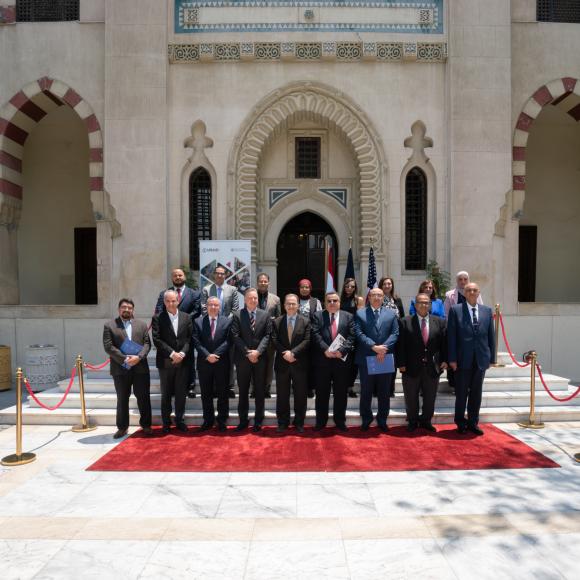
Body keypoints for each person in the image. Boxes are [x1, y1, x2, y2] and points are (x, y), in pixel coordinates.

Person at [447, 283, 495, 436]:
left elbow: (491, 337)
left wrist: (491, 358)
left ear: (478, 292)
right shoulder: (456, 310)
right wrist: (452, 359)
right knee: (461, 393)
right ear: (464, 293)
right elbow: (451, 336)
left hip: (480, 359)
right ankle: (460, 422)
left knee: (476, 393)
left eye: (475, 290)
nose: (472, 292)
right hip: (462, 359)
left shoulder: (487, 311)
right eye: (469, 290)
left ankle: (473, 422)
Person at [397, 293, 447, 432]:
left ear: (430, 305)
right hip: (410, 367)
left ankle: (426, 420)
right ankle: (412, 421)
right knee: (411, 396)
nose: (424, 305)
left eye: (426, 303)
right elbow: (400, 345)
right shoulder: (404, 321)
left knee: (430, 396)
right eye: (421, 302)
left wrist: (444, 361)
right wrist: (401, 364)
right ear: (415, 304)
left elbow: (444, 344)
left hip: (432, 367)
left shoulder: (439, 321)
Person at [103, 298, 152, 439]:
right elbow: (108, 346)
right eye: (124, 307)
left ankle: (146, 425)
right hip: (120, 369)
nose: (126, 310)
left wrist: (139, 357)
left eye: (129, 308)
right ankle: (122, 428)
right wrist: (125, 358)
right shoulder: (110, 325)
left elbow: (147, 344)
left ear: (133, 310)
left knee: (143, 397)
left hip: (140, 368)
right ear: (119, 309)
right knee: (122, 399)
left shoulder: (142, 325)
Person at [354, 288, 399, 432]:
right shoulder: (360, 313)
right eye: (374, 295)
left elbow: (395, 333)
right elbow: (358, 333)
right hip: (367, 357)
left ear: (383, 298)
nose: (377, 297)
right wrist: (374, 347)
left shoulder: (391, 314)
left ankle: (382, 420)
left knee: (384, 392)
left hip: (384, 357)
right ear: (369, 297)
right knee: (366, 391)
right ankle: (366, 419)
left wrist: (383, 348)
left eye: (380, 295)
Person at [154, 267, 201, 398]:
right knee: (170, 359)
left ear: (184, 277)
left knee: (189, 358)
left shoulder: (194, 293)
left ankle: (190, 386)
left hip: (186, 331)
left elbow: (197, 311)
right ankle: (172, 387)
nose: (178, 277)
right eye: (175, 276)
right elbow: (158, 310)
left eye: (180, 275)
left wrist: (183, 320)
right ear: (172, 278)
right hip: (168, 332)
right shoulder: (165, 294)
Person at [311, 292, 355, 432]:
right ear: (324, 302)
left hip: (341, 362)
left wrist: (342, 350)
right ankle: (321, 421)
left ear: (339, 302)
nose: (332, 303)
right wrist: (325, 349)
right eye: (329, 300)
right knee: (322, 393)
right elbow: (315, 334)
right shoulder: (318, 316)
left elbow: (352, 336)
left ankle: (340, 421)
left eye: (335, 300)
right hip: (323, 361)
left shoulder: (348, 316)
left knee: (341, 393)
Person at [152, 290, 193, 434]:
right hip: (165, 362)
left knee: (181, 393)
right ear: (164, 302)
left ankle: (180, 420)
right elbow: (156, 339)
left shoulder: (187, 317)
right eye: (168, 301)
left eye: (173, 301)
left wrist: (181, 353)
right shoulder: (158, 318)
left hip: (183, 361)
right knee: (166, 394)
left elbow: (189, 339)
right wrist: (172, 353)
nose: (171, 303)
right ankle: (166, 422)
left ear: (178, 301)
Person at [231, 288, 272, 432]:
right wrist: (248, 352)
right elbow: (235, 336)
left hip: (260, 359)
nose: (253, 300)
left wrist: (258, 352)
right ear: (245, 299)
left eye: (255, 298)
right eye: (250, 298)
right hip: (243, 359)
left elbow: (268, 336)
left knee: (260, 391)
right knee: (243, 391)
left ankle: (258, 420)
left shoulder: (265, 315)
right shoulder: (237, 315)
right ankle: (243, 420)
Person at [272, 293, 311, 433]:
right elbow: (275, 340)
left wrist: (293, 353)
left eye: (293, 303)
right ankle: (283, 422)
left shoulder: (305, 321)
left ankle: (299, 422)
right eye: (288, 303)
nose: (291, 306)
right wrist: (286, 353)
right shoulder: (277, 321)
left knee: (300, 395)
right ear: (284, 305)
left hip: (299, 363)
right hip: (282, 364)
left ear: (298, 306)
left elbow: (307, 341)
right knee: (282, 395)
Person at [192, 296, 232, 432]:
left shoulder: (227, 322)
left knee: (222, 393)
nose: (213, 307)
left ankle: (222, 420)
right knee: (206, 393)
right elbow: (196, 342)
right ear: (206, 306)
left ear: (219, 307)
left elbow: (228, 341)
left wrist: (216, 354)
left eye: (216, 305)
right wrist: (207, 355)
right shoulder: (197, 322)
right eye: (211, 305)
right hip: (204, 363)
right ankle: (208, 420)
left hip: (221, 363)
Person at [202, 265, 240, 398]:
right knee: (212, 356)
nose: (220, 275)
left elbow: (235, 309)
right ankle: (212, 387)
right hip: (211, 329)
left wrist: (224, 323)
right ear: (213, 275)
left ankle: (229, 387)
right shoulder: (206, 289)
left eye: (222, 273)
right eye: (217, 273)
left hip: (227, 329)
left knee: (228, 359)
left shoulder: (233, 289)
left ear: (226, 275)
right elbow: (204, 308)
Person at [443, 271, 483, 391]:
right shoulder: (450, 295)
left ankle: (470, 385)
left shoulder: (475, 293)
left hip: (471, 331)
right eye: (460, 279)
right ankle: (455, 384)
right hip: (456, 330)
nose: (463, 281)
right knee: (456, 356)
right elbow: (446, 313)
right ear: (457, 281)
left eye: (465, 279)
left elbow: (480, 311)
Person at [255, 272, 281, 399]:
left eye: (265, 281)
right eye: (261, 281)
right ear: (257, 283)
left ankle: (266, 388)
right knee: (255, 364)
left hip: (270, 337)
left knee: (269, 364)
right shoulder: (251, 297)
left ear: (268, 283)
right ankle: (255, 389)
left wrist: (272, 320)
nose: (263, 283)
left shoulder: (276, 299)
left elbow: (279, 318)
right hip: (255, 337)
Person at [379, 276, 405, 397]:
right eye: (385, 284)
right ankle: (378, 390)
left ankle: (390, 389)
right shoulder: (378, 299)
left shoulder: (397, 299)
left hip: (396, 335)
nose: (387, 286)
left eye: (389, 284)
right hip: (382, 335)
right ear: (381, 285)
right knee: (381, 362)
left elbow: (403, 317)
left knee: (393, 364)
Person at [297, 278, 322, 398]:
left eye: (307, 287)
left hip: (311, 337)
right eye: (302, 287)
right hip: (296, 337)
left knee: (311, 363)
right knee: (298, 363)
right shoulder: (294, 300)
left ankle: (310, 387)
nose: (304, 289)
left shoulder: (316, 301)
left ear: (310, 288)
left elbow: (319, 319)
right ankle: (297, 386)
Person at [340, 277, 364, 399]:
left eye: (352, 287)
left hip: (354, 334)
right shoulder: (340, 299)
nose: (349, 288)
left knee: (354, 364)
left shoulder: (358, 300)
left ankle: (350, 387)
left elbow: (360, 318)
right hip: (342, 334)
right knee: (343, 362)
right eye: (347, 286)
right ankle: (341, 386)